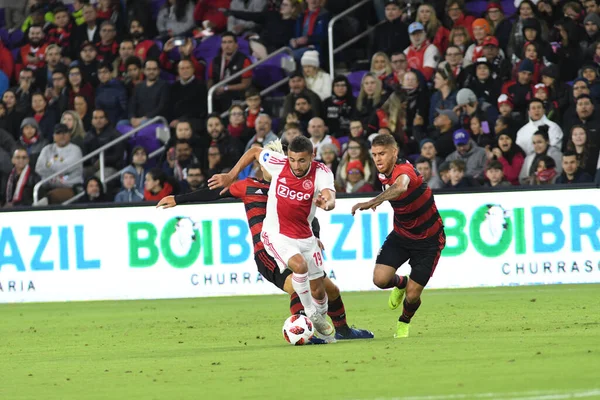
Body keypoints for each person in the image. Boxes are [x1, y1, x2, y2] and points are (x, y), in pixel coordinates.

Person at [157, 141, 372, 342]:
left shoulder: (295, 185)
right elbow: (214, 193)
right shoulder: (248, 186)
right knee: (298, 286)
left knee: (331, 290)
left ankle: (343, 331)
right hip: (266, 252)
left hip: (296, 243)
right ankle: (304, 332)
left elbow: (310, 217)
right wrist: (178, 199)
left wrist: (316, 237)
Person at [208, 136, 339, 342]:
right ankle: (309, 312)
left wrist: (327, 204)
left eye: (302, 161)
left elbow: (329, 196)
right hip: (276, 234)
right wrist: (231, 176)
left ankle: (321, 323)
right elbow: (254, 151)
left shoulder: (322, 172)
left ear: (312, 157)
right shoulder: (278, 163)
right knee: (299, 266)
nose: (296, 165)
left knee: (319, 288)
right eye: (292, 160)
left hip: (304, 235)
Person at [350, 134, 445, 338]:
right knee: (380, 280)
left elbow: (401, 186)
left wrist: (372, 201)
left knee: (413, 296)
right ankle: (401, 283)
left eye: (382, 154)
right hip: (402, 235)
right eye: (374, 154)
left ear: (394, 152)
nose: (377, 159)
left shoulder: (404, 170)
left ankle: (404, 322)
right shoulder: (383, 173)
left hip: (429, 240)